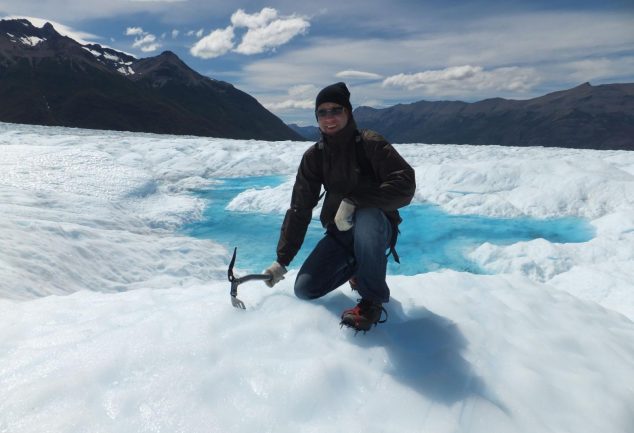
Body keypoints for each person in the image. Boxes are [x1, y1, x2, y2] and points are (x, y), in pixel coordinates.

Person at [264, 82, 416, 332]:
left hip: (377, 228)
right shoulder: (315, 156)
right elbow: (299, 208)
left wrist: (356, 200)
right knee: (305, 289)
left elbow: (405, 183)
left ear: (348, 112)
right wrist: (282, 260)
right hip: (341, 230)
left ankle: (371, 302)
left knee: (366, 216)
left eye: (336, 110)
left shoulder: (370, 144)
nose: (329, 118)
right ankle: (358, 265)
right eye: (322, 112)